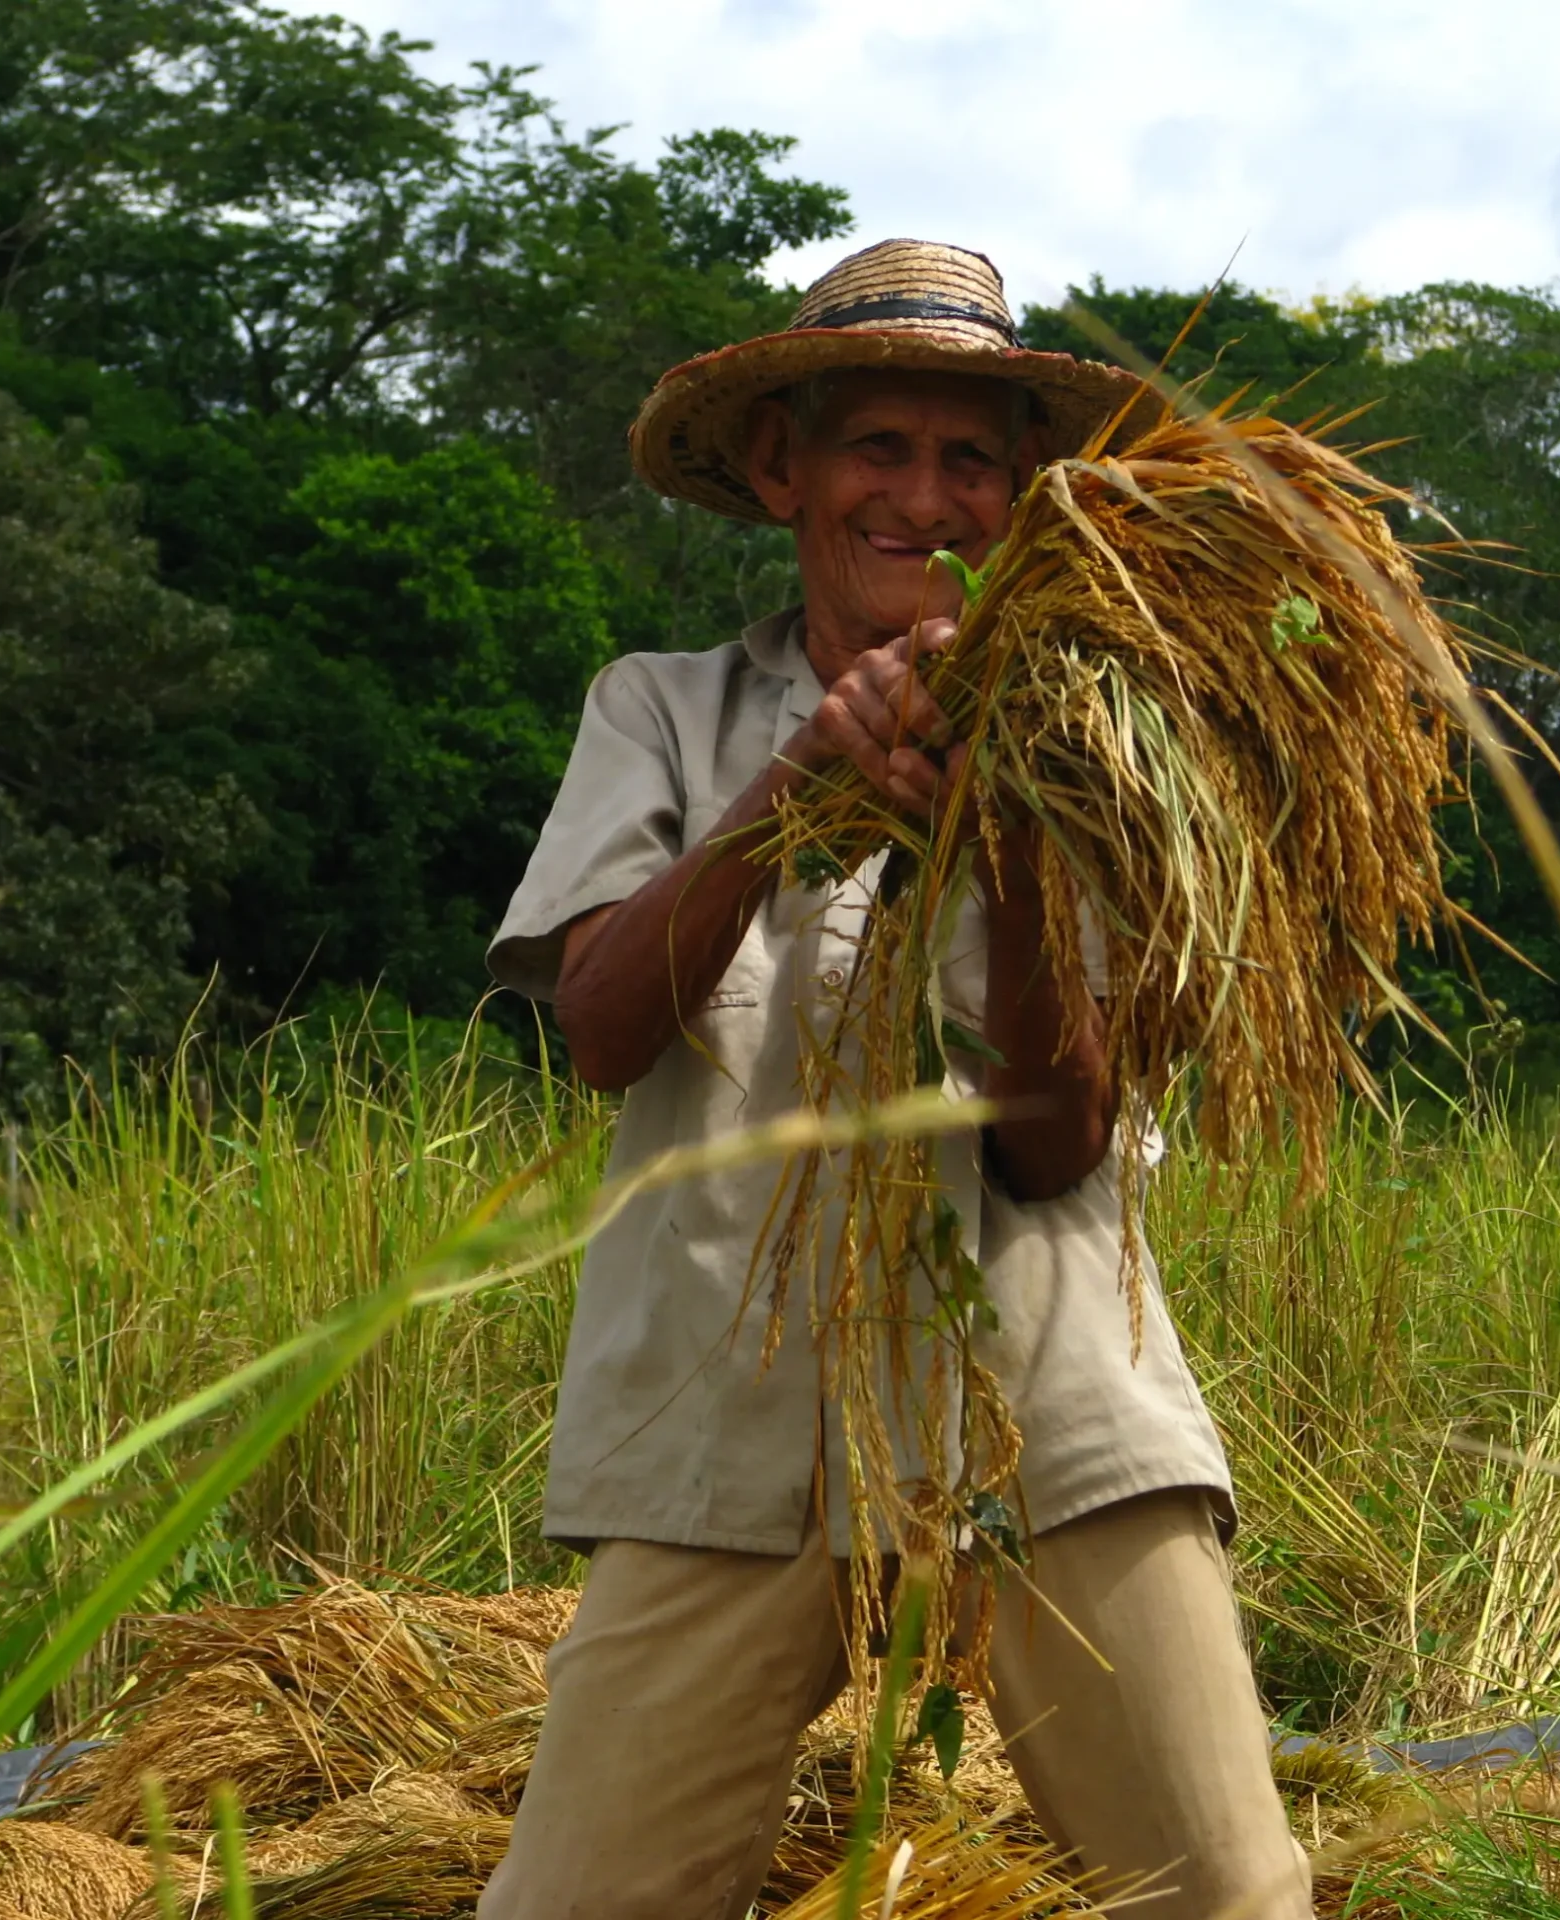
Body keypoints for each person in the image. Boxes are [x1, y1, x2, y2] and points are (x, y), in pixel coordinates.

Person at [481, 238, 1313, 1920]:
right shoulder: (663, 712)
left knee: (1225, 1892)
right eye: (879, 446)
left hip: (1045, 1401)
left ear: (1020, 500)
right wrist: (798, 781)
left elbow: (1057, 1142)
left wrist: (996, 830)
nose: (921, 498)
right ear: (786, 466)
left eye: (971, 461)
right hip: (728, 1409)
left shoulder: (1100, 746)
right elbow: (597, 1030)